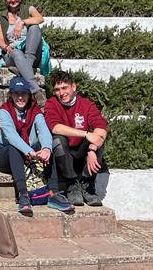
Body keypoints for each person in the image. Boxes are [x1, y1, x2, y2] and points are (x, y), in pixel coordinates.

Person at [0, 76, 73, 216]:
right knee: (14, 148)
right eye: (16, 94)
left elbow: (43, 130)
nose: (20, 98)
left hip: (31, 154)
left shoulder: (35, 110)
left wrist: (46, 149)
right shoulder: (4, 111)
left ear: (28, 95)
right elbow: (11, 136)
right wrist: (30, 151)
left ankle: (53, 192)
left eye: (23, 94)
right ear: (10, 95)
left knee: (50, 147)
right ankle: (23, 194)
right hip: (8, 155)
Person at [43, 70, 108, 207]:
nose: (61, 93)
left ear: (74, 87)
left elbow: (101, 127)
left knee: (98, 138)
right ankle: (72, 185)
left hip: (82, 152)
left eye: (64, 88)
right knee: (58, 140)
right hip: (64, 154)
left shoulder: (86, 104)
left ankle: (87, 185)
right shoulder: (51, 104)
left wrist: (92, 149)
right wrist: (85, 134)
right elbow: (55, 127)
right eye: (57, 89)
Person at [0, 0, 47, 104]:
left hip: (31, 54)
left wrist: (22, 23)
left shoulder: (28, 9)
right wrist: (6, 47)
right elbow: (0, 41)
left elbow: (40, 18)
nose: (13, 0)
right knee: (17, 52)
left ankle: (22, 69)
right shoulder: (1, 16)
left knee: (34, 27)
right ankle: (36, 90)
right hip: (12, 54)